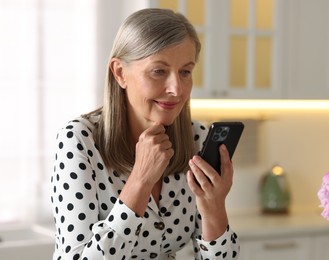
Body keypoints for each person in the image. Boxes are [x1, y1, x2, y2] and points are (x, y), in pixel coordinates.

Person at [50, 8, 240, 260]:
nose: (176, 89)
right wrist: (140, 180)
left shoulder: (196, 138)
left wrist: (214, 209)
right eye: (159, 71)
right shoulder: (79, 141)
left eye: (185, 71)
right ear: (119, 73)